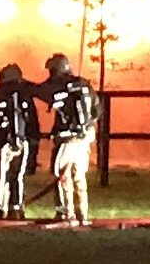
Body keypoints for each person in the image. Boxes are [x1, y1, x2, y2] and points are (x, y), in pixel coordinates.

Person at [38, 49, 102, 227]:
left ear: (57, 70)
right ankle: (84, 214)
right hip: (84, 140)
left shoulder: (60, 86)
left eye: (51, 71)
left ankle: (66, 214)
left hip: (67, 140)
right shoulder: (84, 85)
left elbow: (41, 91)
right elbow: (97, 111)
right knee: (79, 176)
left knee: (61, 174)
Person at [0, 63, 44, 221]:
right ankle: (17, 209)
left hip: (2, 143)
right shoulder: (25, 94)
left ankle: (1, 209)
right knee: (18, 177)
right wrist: (34, 145)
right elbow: (32, 121)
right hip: (22, 142)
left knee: (2, 177)